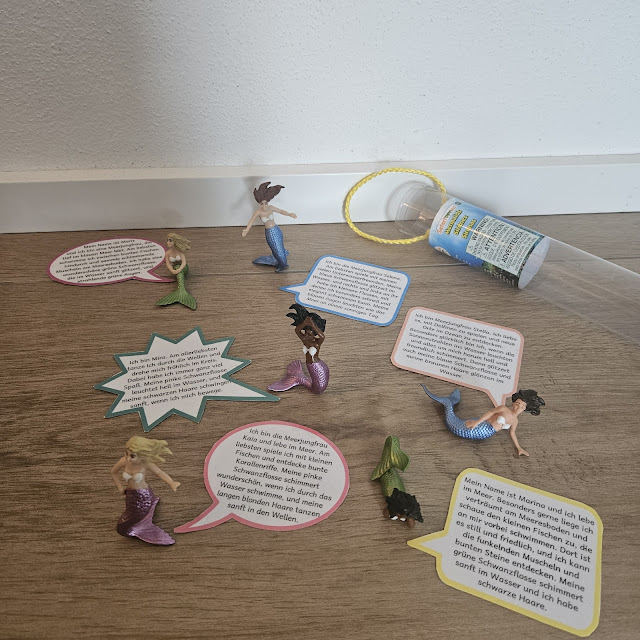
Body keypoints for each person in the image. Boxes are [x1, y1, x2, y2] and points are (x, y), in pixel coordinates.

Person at [422, 386, 545, 456]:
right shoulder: (503, 409)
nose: (518, 408)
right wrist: (476, 422)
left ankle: (450, 402)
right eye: (517, 404)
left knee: (460, 430)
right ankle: (448, 403)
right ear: (513, 403)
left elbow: (512, 433)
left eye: (522, 407)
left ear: (525, 409)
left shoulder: (515, 421)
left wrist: (519, 447)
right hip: (482, 426)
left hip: (487, 433)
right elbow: (490, 413)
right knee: (456, 428)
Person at [111, 436, 180, 545]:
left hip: (143, 496)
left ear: (141, 455)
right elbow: (113, 472)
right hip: (130, 495)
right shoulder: (124, 461)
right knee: (124, 523)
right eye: (126, 453)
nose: (128, 458)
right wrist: (120, 487)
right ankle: (141, 527)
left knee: (124, 524)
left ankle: (147, 529)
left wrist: (171, 482)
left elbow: (159, 473)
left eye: (132, 456)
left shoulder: (144, 463)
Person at [268, 304, 329, 394]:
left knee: (318, 389)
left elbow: (322, 336)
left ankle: (298, 377)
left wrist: (313, 325)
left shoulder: (316, 344)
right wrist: (305, 323)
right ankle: (298, 377)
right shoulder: (305, 340)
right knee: (315, 390)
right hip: (310, 366)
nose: (306, 335)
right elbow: (297, 330)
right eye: (306, 333)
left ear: (314, 335)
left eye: (309, 334)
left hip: (318, 367)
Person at [242, 182, 297, 272]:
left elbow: (280, 211)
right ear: (259, 203)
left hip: (277, 230)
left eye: (266, 203)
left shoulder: (271, 207)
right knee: (275, 247)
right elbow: (252, 220)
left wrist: (289, 214)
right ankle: (281, 261)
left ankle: (282, 263)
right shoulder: (258, 212)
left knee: (279, 246)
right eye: (261, 204)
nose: (264, 206)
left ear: (268, 202)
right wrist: (247, 229)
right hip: (269, 232)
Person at [155, 232, 196, 309]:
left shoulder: (180, 251)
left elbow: (184, 262)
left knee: (178, 267)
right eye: (167, 240)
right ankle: (181, 292)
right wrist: (172, 271)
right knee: (176, 267)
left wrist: (179, 269)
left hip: (184, 268)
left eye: (170, 240)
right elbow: (168, 264)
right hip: (175, 269)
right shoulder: (167, 253)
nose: (168, 242)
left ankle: (181, 292)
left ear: (175, 241)